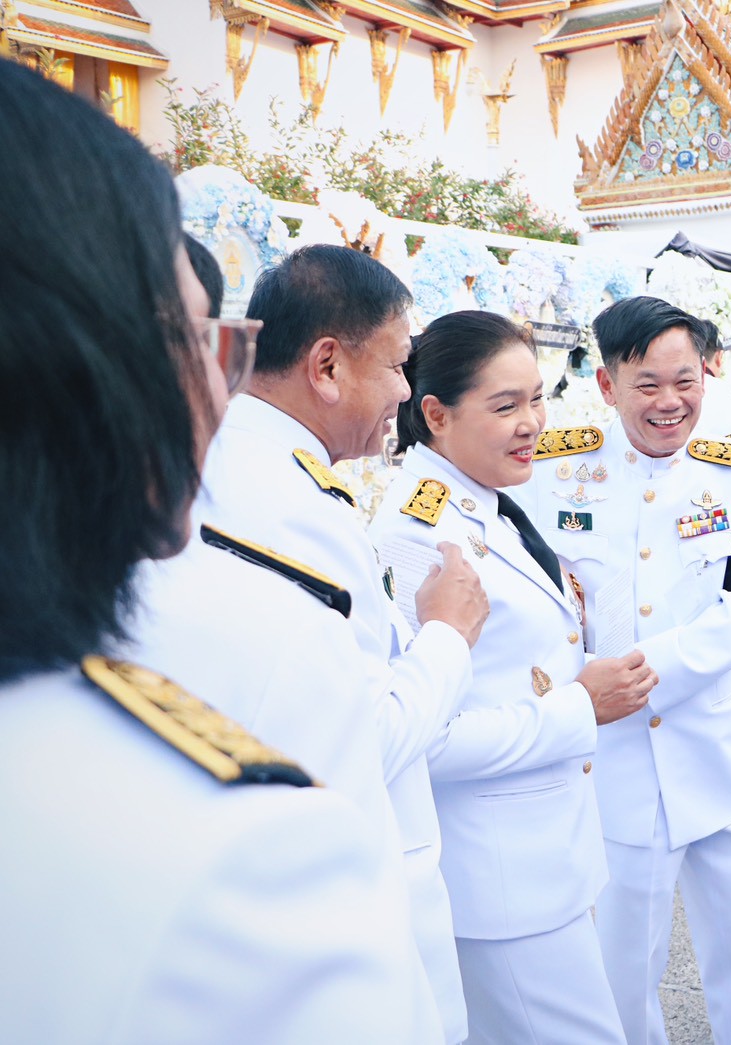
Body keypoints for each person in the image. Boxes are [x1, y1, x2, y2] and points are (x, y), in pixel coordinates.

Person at [0, 60, 431, 1041]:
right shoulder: (245, 870)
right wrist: (450, 639)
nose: (214, 392)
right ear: (75, 369)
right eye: (198, 340)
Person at [197, 244, 490, 1043]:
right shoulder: (290, 509)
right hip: (349, 894)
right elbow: (363, 736)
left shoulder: (240, 464)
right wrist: (447, 634)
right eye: (397, 364)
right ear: (326, 365)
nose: (404, 391)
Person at [370, 311, 662, 1044]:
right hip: (499, 883)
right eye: (505, 406)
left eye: (537, 398)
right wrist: (578, 706)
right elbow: (419, 737)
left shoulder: (489, 502)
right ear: (435, 414)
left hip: (544, 861)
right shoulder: (415, 533)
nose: (532, 422)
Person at [509, 296, 731, 1045]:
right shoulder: (551, 470)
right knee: (622, 964)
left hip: (717, 755)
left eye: (686, 381)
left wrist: (634, 675)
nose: (671, 402)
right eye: (648, 385)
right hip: (614, 765)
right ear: (606, 385)